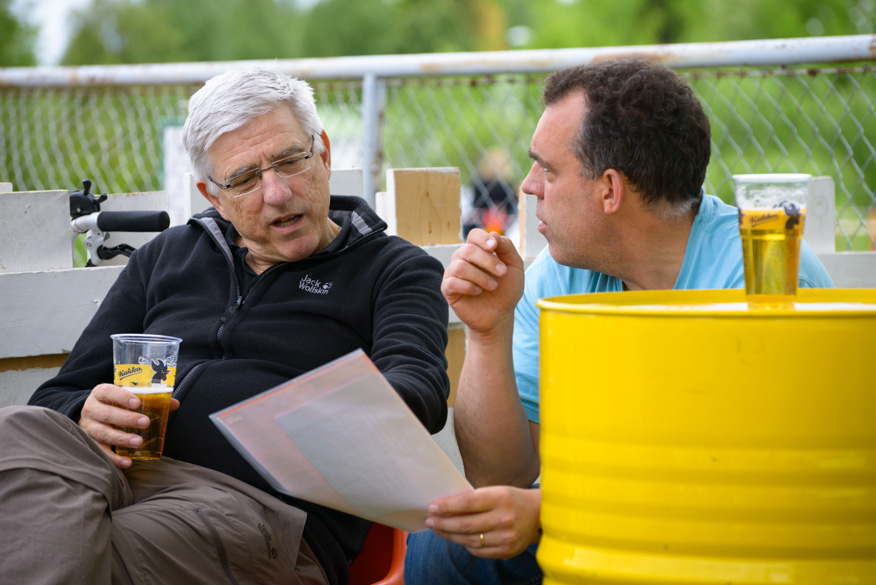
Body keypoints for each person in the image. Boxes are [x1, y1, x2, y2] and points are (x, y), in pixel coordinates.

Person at [0, 67, 450, 585]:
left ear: (323, 152)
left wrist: (308, 411)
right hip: (117, 474)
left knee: (87, 542)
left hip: (260, 515)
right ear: (212, 195)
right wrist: (86, 412)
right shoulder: (166, 256)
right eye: (244, 179)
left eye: (290, 160)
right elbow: (55, 397)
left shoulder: (395, 268)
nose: (277, 193)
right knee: (17, 427)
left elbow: (419, 393)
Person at [404, 59, 834, 584]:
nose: (529, 185)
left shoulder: (763, 273)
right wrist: (486, 332)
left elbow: (757, 490)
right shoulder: (563, 273)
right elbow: (501, 477)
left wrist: (546, 514)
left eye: (548, 168)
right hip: (598, 522)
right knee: (442, 550)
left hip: (733, 543)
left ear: (610, 190)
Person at [462, 147, 518, 239]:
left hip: (478, 227)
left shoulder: (478, 186)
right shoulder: (509, 188)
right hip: (504, 228)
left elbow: (474, 206)